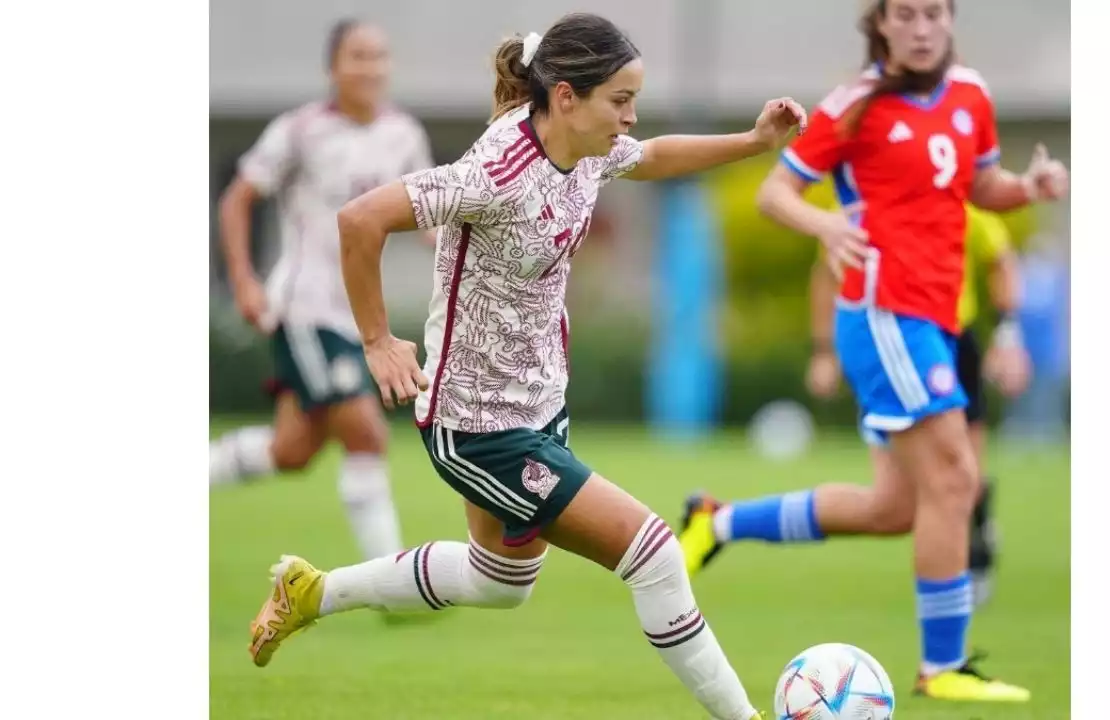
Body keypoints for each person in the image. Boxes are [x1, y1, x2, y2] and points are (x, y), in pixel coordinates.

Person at [246, 13, 807, 720]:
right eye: (620, 100)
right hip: (478, 425)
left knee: (499, 580)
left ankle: (312, 593)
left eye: (634, 99)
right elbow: (360, 219)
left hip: (539, 405)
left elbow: (654, 156)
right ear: (566, 96)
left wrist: (754, 141)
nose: (630, 117)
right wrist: (378, 341)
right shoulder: (493, 173)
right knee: (656, 555)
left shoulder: (588, 146)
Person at [682, 0, 1067, 703]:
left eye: (933, 14)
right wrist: (825, 226)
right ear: (881, 25)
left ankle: (720, 519)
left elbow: (980, 185)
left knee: (896, 508)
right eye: (905, 15)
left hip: (934, 320)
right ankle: (942, 667)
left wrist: (1024, 189)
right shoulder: (854, 103)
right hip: (886, 315)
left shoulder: (972, 95)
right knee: (956, 477)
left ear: (950, 20)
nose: (921, 28)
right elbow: (776, 194)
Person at [682, 204, 1029, 606]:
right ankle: (944, 655)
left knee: (907, 504)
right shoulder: (862, 205)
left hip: (954, 342)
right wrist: (824, 350)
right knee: (944, 486)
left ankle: (720, 522)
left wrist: (1007, 337)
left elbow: (1000, 258)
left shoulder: (950, 186)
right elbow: (825, 270)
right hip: (897, 344)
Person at [208, 19, 436, 569]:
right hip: (307, 309)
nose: (370, 67)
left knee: (293, 450)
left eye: (379, 56)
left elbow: (432, 219)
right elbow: (238, 199)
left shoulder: (404, 133)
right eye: (357, 56)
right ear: (332, 67)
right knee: (366, 433)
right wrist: (242, 279)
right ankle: (393, 582)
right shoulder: (300, 130)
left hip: (359, 314)